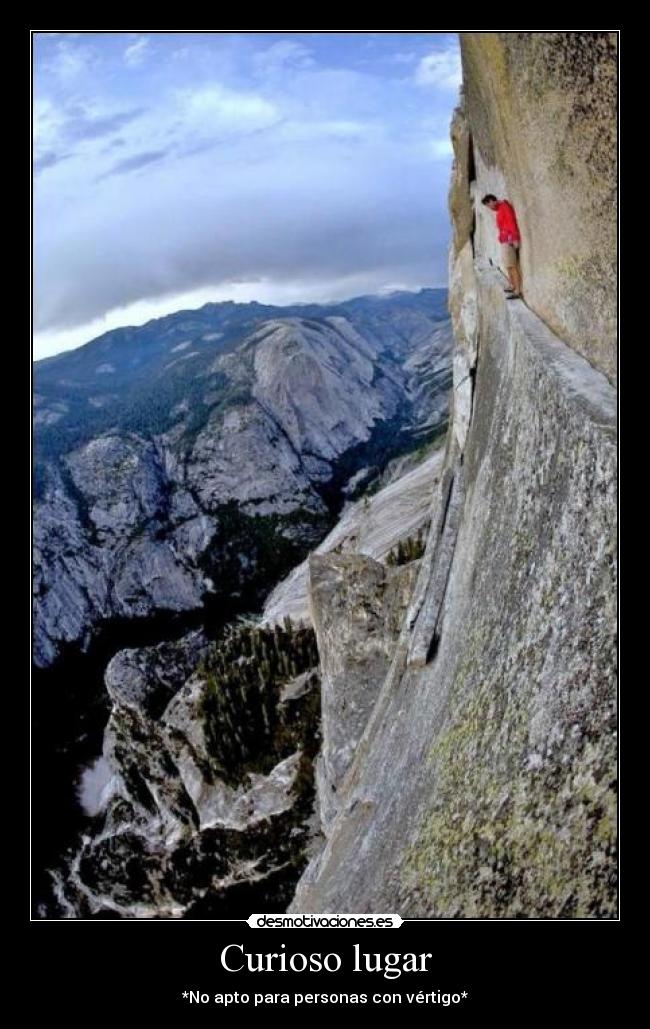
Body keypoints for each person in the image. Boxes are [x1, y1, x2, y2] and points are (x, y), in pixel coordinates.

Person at [481, 194, 522, 299]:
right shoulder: (500, 208)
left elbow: (511, 222)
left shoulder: (504, 207)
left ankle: (517, 290)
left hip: (509, 240)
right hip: (504, 240)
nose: (489, 208)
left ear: (491, 201)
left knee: (512, 266)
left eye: (488, 205)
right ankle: (512, 285)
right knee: (508, 265)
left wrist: (514, 238)